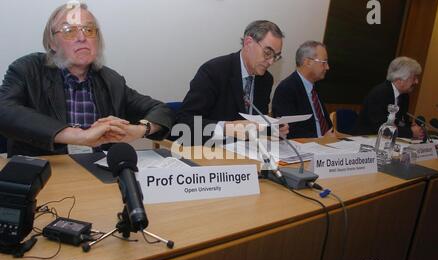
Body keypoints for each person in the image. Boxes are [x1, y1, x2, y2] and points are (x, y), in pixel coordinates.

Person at [0, 3, 173, 157]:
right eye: (69, 31)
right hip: (46, 172)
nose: (82, 38)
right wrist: (78, 136)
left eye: (89, 30)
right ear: (52, 43)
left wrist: (139, 130)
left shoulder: (111, 80)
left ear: (97, 40)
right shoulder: (28, 69)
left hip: (97, 172)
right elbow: (4, 110)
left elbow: (161, 109)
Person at [175, 20, 288, 145]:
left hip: (249, 153)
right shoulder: (214, 71)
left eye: (276, 56)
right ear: (248, 42)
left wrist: (271, 130)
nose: (271, 61)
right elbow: (185, 122)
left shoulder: (266, 80)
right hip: (213, 151)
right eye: (267, 53)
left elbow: (253, 125)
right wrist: (227, 128)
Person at [272, 41, 333, 139]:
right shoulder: (287, 89)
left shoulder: (316, 87)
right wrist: (320, 140)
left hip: (326, 144)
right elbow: (289, 131)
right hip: (305, 147)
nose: (327, 67)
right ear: (308, 62)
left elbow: (327, 125)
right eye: (324, 62)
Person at [353, 56, 423, 139]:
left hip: (388, 140)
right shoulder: (380, 93)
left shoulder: (404, 96)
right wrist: (410, 132)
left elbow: (399, 122)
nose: (416, 81)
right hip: (367, 138)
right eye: (414, 78)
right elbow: (380, 126)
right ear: (400, 79)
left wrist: (413, 128)